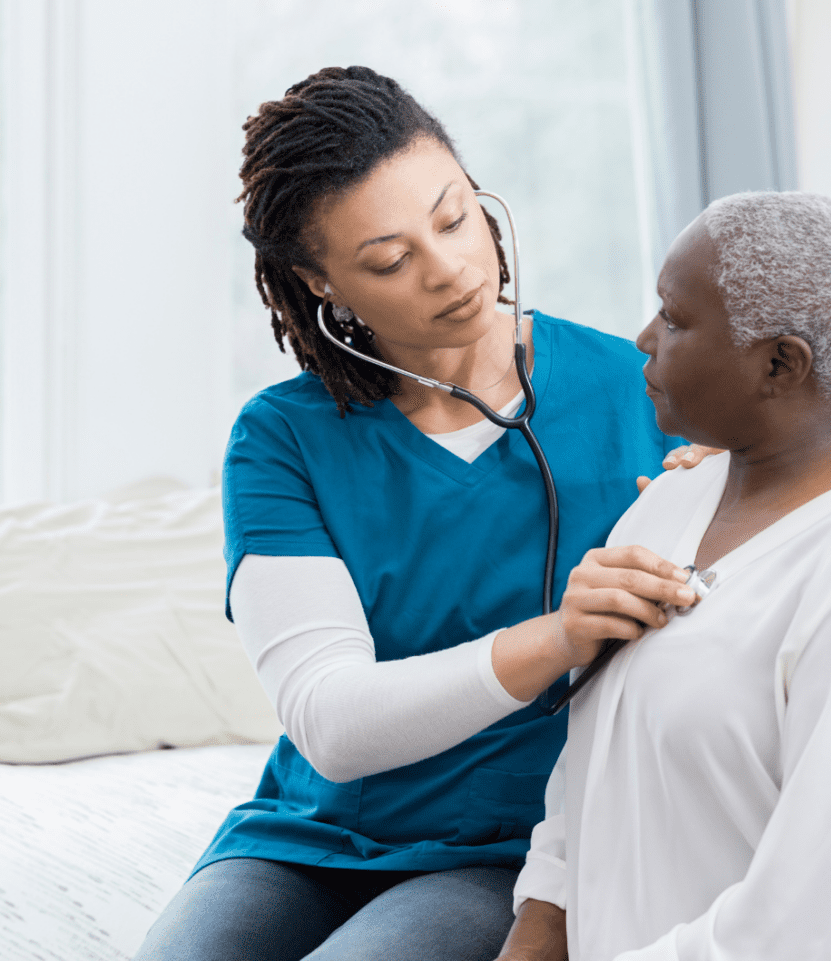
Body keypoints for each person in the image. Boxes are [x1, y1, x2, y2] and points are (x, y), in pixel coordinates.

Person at [134, 65, 713, 961]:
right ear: (321, 283)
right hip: (308, 842)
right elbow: (332, 724)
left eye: (454, 217)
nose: (452, 270)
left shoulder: (646, 393)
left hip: (515, 851)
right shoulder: (283, 439)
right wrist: (559, 635)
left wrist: (732, 501)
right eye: (390, 260)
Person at [497, 190, 831, 961]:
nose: (644, 339)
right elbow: (587, 774)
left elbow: (819, 926)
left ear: (780, 363)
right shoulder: (669, 502)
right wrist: (536, 931)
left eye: (676, 319)